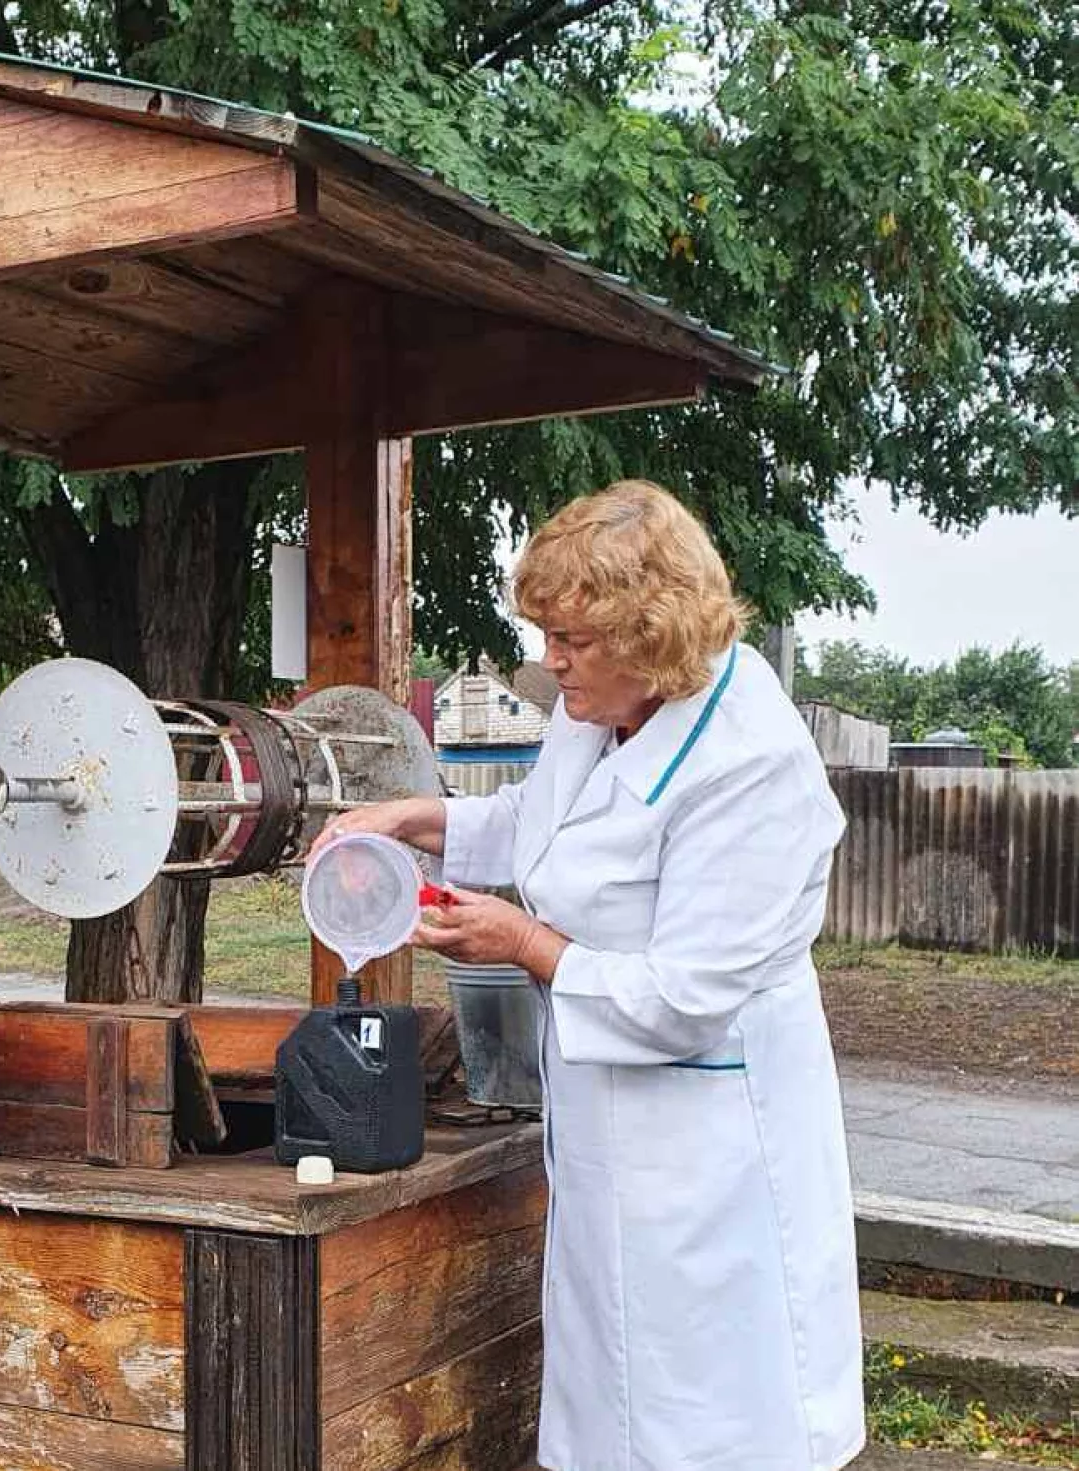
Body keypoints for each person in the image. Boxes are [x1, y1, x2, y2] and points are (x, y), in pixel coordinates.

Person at [315, 480, 864, 1471]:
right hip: (613, 1125)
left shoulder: (753, 767)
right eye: (545, 633)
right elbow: (546, 823)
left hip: (716, 1146)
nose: (548, 660)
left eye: (571, 638)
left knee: (715, 1414)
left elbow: (686, 999)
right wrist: (418, 817)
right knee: (612, 1389)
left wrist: (525, 944)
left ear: (649, 634)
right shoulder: (596, 703)